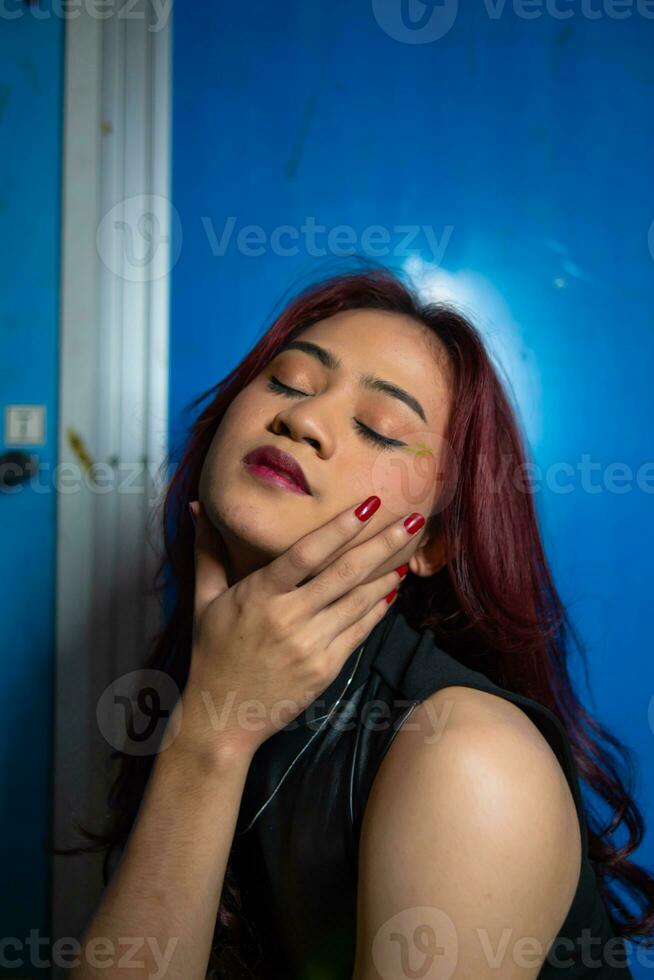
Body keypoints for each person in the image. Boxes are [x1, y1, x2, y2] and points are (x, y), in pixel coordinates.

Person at [61, 265, 654, 979]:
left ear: (433, 541)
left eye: (380, 427)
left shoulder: (468, 759)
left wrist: (213, 732)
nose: (302, 420)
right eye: (289, 382)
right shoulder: (209, 677)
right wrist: (210, 731)